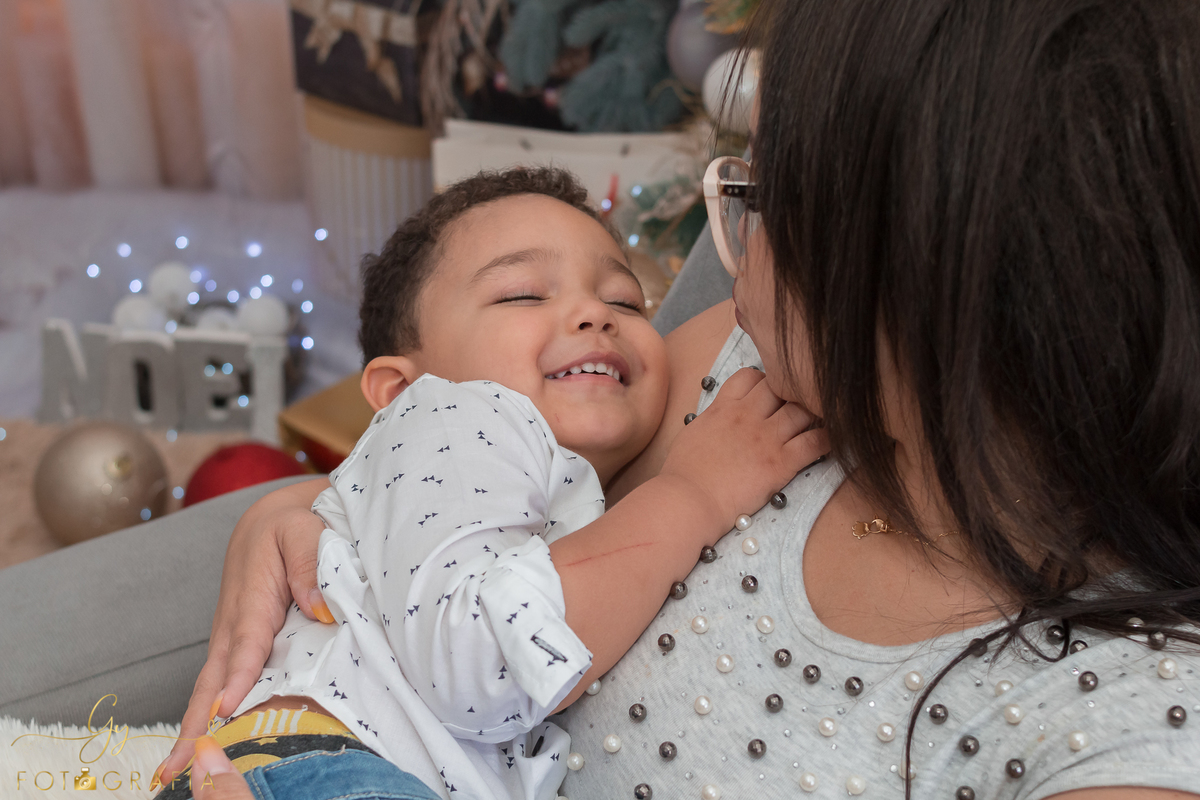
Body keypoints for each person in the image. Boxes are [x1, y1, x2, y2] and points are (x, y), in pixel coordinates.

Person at [160, 0, 1200, 797]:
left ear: (921, 286)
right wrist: (296, 516)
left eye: (764, 197)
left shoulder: (1120, 728)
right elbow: (476, 499)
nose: (725, 246)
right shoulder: (739, 372)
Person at [150, 167, 822, 800]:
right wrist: (694, 495)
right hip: (327, 768)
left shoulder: (540, 486)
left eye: (624, 300)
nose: (596, 314)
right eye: (522, 294)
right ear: (401, 390)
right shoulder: (457, 411)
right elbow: (474, 664)